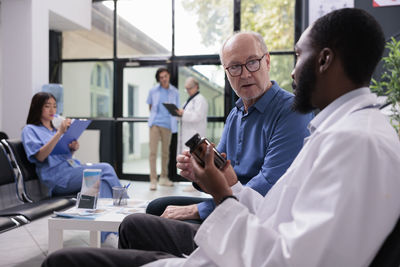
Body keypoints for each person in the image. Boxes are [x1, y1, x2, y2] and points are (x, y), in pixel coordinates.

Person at [42, 8, 400, 267]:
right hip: (242, 238)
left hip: (242, 248)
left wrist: (221, 198)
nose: (293, 70)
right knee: (136, 222)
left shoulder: (352, 143)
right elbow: (270, 204)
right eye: (233, 68)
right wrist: (210, 178)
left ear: (323, 60)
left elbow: (286, 250)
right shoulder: (339, 133)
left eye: (296, 56)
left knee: (63, 262)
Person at [145, 31, 313, 221]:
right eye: (234, 67)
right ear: (226, 72)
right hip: (229, 204)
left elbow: (269, 186)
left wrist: (199, 210)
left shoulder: (292, 111)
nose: (245, 74)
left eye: (252, 62)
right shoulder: (236, 114)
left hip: (259, 217)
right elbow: (220, 173)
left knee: (139, 223)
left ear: (267, 61)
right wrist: (200, 175)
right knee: (156, 207)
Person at [22, 92, 123, 245]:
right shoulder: (30, 130)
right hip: (56, 178)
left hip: (69, 170)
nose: (52, 110)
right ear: (37, 108)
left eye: (54, 106)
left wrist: (72, 149)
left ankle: (108, 234)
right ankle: (125, 214)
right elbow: (40, 156)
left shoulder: (52, 131)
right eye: (47, 106)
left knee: (101, 183)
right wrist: (60, 133)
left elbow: (62, 155)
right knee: (104, 168)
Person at [147, 67, 180, 190]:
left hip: (168, 125)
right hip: (155, 124)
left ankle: (163, 178)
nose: (164, 79)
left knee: (165, 153)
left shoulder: (175, 92)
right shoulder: (153, 91)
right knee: (153, 153)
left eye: (165, 76)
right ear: (159, 79)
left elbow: (176, 109)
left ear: (169, 76)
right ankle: (153, 180)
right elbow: (150, 107)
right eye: (161, 77)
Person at [175, 77, 208, 154]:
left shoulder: (201, 100)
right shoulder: (188, 101)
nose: (188, 91)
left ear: (196, 86)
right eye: (186, 89)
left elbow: (197, 116)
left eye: (189, 88)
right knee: (184, 159)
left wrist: (183, 113)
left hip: (194, 134)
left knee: (192, 160)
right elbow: (184, 116)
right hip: (186, 135)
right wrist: (178, 114)